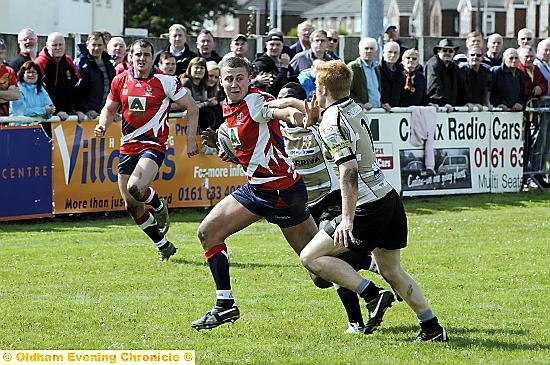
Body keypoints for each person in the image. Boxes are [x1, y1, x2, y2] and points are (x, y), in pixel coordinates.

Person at [299, 60, 449, 342]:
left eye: (315, 87)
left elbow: (349, 169)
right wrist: (312, 121)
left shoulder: (331, 122)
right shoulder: (352, 106)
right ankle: (432, 328)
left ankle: (371, 294)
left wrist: (347, 218)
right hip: (389, 197)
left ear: (322, 89)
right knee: (392, 269)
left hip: (368, 205)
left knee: (311, 257)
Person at [190, 57, 319, 331]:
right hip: (257, 189)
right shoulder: (229, 108)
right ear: (221, 81)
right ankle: (225, 305)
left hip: (281, 190)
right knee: (208, 232)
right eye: (229, 78)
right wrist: (231, 151)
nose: (234, 83)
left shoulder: (257, 101)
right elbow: (251, 150)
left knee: (320, 270)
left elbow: (283, 112)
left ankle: (368, 274)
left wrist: (301, 117)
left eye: (239, 78)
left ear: (249, 79)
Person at [270, 81, 389, 333]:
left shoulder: (319, 125)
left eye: (289, 100)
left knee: (327, 259)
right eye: (280, 99)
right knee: (319, 277)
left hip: (331, 199)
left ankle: (356, 321)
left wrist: (305, 112)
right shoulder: (275, 130)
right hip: (303, 208)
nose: (283, 104)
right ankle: (367, 262)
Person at [93, 39, 199, 261]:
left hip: (153, 145)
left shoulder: (166, 81)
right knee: (132, 206)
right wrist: (103, 124)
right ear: (130, 56)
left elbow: (192, 107)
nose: (141, 59)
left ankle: (159, 205)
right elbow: (109, 108)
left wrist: (190, 140)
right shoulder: (120, 80)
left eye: (146, 55)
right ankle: (163, 245)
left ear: (153, 57)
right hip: (127, 147)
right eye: (137, 54)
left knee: (136, 187)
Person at [35, 32, 86, 125]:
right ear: (47, 45)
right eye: (54, 45)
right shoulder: (40, 63)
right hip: (48, 119)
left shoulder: (68, 61)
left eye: (60, 45)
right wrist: (56, 111)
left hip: (68, 117)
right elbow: (38, 93)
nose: (58, 48)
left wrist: (79, 109)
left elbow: (77, 87)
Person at [75, 31, 115, 119]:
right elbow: (77, 91)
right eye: (94, 45)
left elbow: (114, 90)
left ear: (104, 46)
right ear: (87, 45)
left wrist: (113, 109)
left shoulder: (109, 64)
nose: (96, 48)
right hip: (88, 116)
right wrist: (86, 109)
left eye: (100, 45)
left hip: (105, 114)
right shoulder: (81, 64)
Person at [180, 57, 220, 131]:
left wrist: (209, 102)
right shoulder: (186, 82)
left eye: (202, 68)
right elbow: (188, 103)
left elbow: (204, 101)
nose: (199, 70)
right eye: (196, 67)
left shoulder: (203, 84)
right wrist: (205, 103)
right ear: (190, 68)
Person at [253, 31, 296, 98]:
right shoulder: (261, 63)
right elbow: (275, 88)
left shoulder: (285, 61)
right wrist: (284, 67)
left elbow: (295, 82)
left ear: (282, 46)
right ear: (266, 45)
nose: (274, 47)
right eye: (272, 44)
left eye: (278, 45)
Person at [347, 37, 381, 110]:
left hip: (378, 112)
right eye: (366, 48)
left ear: (375, 52)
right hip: (362, 112)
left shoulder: (376, 69)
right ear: (360, 51)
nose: (369, 51)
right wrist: (359, 103)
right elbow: (347, 91)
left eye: (372, 49)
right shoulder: (353, 67)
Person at [425, 38, 459, 108]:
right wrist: (442, 103)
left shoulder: (454, 67)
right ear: (438, 51)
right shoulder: (433, 65)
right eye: (444, 50)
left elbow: (461, 85)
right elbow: (434, 86)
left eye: (450, 51)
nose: (447, 53)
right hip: (436, 106)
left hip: (450, 107)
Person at [457, 45, 492, 110]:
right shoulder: (460, 72)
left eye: (478, 55)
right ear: (467, 57)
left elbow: (488, 89)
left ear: (482, 57)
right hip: (464, 108)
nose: (475, 57)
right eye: (472, 55)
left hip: (480, 109)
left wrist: (487, 103)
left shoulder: (487, 72)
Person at [377, 41, 405, 110]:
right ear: (383, 53)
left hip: (396, 110)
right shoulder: (377, 70)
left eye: (395, 53)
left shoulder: (401, 72)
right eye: (390, 52)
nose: (392, 55)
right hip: (380, 109)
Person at [0, 40, 19, 120]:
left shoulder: (9, 71)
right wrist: (5, 95)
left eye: (2, 49)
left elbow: (15, 95)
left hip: (4, 120)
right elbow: (10, 95)